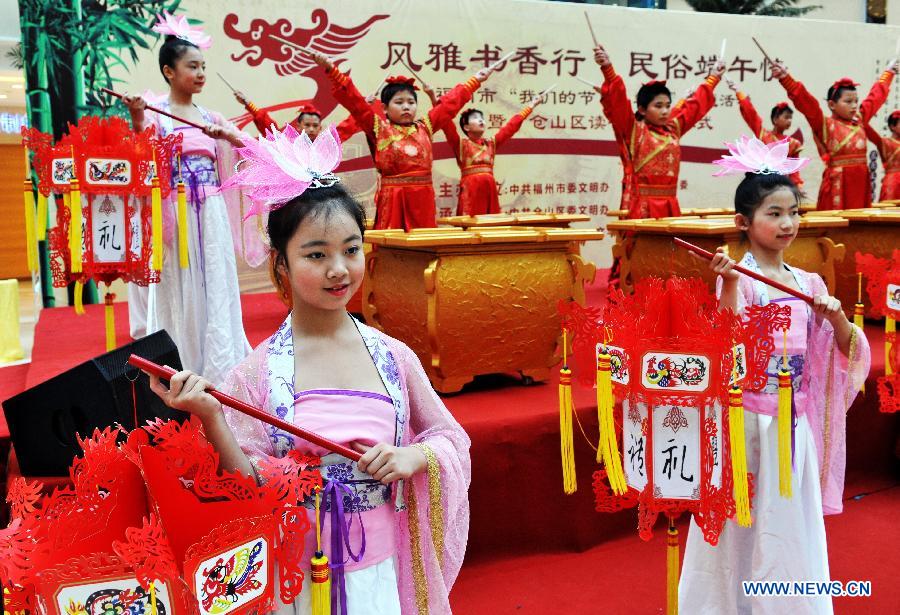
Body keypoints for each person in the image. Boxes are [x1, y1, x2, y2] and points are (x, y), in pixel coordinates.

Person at [148, 125, 470, 614]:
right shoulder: (255, 375)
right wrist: (210, 417)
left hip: (383, 577)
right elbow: (248, 489)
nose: (338, 269)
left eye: (351, 249)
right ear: (281, 264)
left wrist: (414, 459)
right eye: (316, 255)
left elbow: (451, 439)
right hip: (296, 584)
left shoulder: (393, 357)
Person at [678, 136, 870, 614]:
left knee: (787, 525)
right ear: (744, 222)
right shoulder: (737, 278)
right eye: (774, 213)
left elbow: (851, 353)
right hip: (745, 427)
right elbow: (725, 350)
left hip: (792, 427)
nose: (788, 224)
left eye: (793, 212)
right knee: (736, 528)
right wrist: (728, 286)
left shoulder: (810, 284)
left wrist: (836, 318)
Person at [123, 14, 251, 385]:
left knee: (214, 279)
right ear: (168, 71)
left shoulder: (210, 116)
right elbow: (142, 157)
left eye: (203, 66)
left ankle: (220, 361)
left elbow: (246, 149)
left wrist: (226, 134)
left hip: (209, 212)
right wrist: (136, 117)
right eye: (191, 66)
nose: (200, 73)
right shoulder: (155, 116)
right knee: (179, 283)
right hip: (174, 215)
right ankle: (175, 359)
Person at [312, 51, 496, 229]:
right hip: (393, 199)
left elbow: (449, 105)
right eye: (399, 103)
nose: (406, 107)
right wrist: (331, 69)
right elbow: (357, 104)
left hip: (423, 201)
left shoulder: (426, 126)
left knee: (425, 249)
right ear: (384, 108)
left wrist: (476, 80)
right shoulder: (378, 128)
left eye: (411, 102)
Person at [593, 43, 725, 219]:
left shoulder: (673, 128)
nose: (665, 111)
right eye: (658, 106)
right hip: (641, 209)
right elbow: (618, 104)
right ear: (641, 109)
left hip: (670, 205)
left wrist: (714, 77)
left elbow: (695, 106)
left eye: (667, 106)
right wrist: (607, 68)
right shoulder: (634, 131)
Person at [772, 60, 898, 209]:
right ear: (832, 105)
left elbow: (875, 98)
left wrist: (889, 73)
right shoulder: (825, 124)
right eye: (848, 101)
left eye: (856, 101)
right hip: (838, 185)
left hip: (860, 185)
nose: (854, 106)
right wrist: (786, 79)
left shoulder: (859, 120)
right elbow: (806, 103)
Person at [442, 95, 543, 216]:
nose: (481, 120)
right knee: (470, 226)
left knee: (491, 225)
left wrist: (531, 106)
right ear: (466, 127)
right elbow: (447, 125)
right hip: (471, 192)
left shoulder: (490, 144)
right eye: (475, 118)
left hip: (489, 192)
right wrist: (434, 100)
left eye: (482, 118)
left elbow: (510, 127)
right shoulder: (461, 145)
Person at [727, 78, 804, 187]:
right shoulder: (763, 134)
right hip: (762, 182)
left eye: (791, 118)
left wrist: (798, 187)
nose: (789, 121)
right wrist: (739, 92)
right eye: (786, 117)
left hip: (782, 185)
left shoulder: (793, 144)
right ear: (775, 119)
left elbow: (794, 170)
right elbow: (751, 115)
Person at [234, 91, 323, 140]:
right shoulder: (290, 145)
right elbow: (270, 129)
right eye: (307, 125)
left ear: (320, 128)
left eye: (315, 126)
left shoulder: (327, 148)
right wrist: (249, 104)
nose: (311, 129)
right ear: (298, 126)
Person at [863, 110, 900, 201]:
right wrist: (861, 119)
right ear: (892, 126)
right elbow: (871, 133)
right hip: (893, 185)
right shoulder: (885, 143)